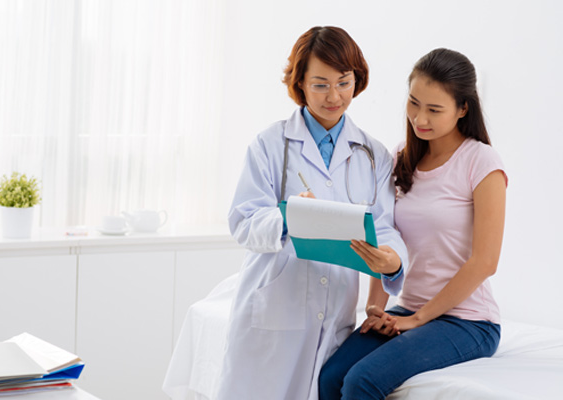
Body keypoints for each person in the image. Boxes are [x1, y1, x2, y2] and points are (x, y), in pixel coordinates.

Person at [216, 26, 409, 400]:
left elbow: (383, 226)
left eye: (344, 82)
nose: (334, 96)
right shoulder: (270, 145)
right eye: (320, 84)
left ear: (358, 81)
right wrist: (289, 216)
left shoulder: (374, 155)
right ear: (300, 82)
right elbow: (243, 221)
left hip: (334, 314)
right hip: (274, 309)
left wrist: (392, 261)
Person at [318, 48, 508, 399]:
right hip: (406, 309)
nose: (420, 118)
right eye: (414, 102)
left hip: (467, 321)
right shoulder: (401, 157)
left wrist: (417, 320)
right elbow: (384, 238)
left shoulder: (481, 161)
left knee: (362, 381)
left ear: (463, 109)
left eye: (434, 110)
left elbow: (485, 261)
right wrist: (377, 308)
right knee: (330, 377)